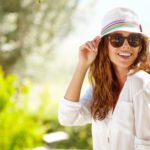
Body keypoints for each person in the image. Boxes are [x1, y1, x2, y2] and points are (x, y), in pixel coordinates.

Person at [58, 7, 150, 150]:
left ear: (140, 46)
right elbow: (68, 117)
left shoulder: (141, 83)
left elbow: (146, 145)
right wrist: (83, 65)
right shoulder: (100, 88)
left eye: (133, 39)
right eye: (117, 39)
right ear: (104, 44)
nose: (126, 45)